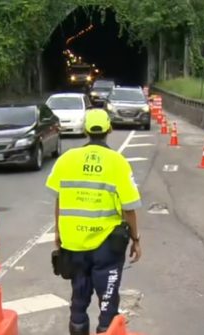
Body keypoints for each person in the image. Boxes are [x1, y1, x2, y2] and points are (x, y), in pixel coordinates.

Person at [46, 108, 142, 335]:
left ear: (86, 130)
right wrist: (136, 240)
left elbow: (59, 198)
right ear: (110, 129)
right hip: (107, 247)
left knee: (78, 304)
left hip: (73, 244)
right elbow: (129, 208)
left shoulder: (66, 159)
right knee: (108, 307)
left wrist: (58, 233)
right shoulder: (117, 162)